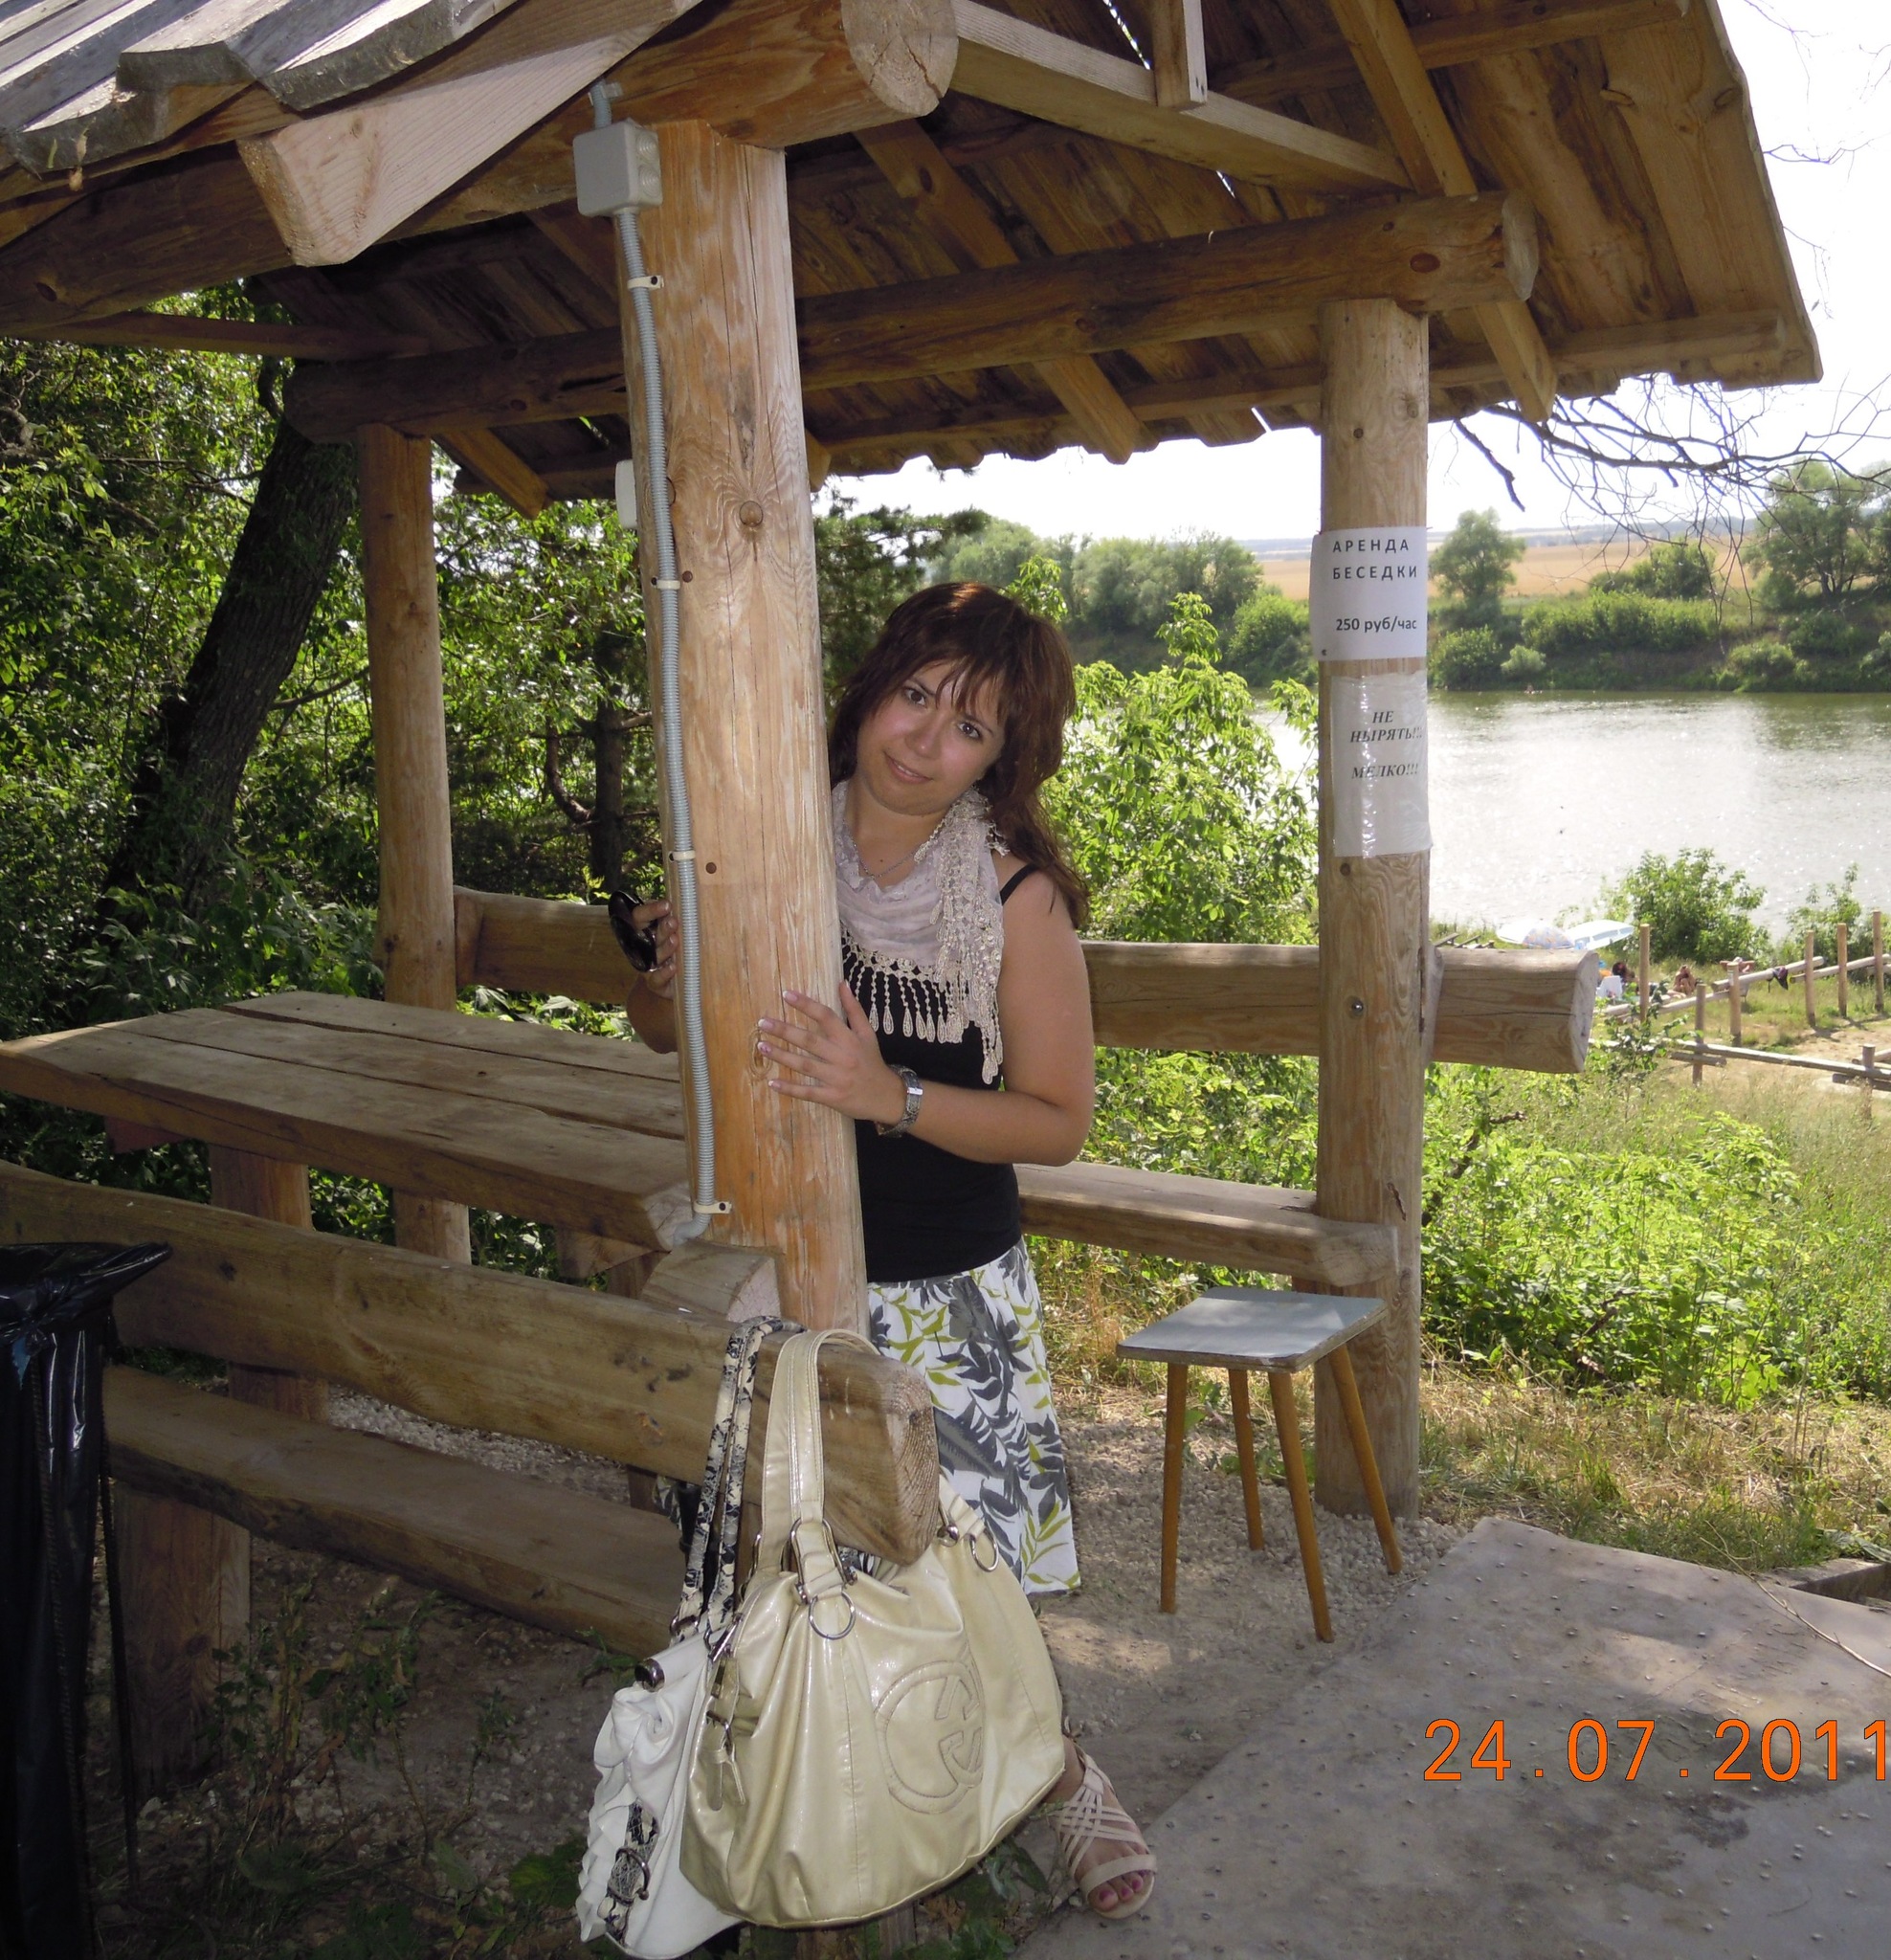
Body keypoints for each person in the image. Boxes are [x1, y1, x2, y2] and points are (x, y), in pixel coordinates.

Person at [622, 584, 1155, 1921]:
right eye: (916, 696)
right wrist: (673, 975)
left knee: (963, 1572)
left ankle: (1056, 1774)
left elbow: (1060, 1120)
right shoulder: (760, 842)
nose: (925, 741)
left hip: (943, 1289)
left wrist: (889, 1095)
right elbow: (660, 1032)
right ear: (869, 690)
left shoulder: (1015, 898)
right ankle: (814, 1791)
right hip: (771, 1260)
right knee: (786, 1566)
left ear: (1002, 758)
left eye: (970, 726)